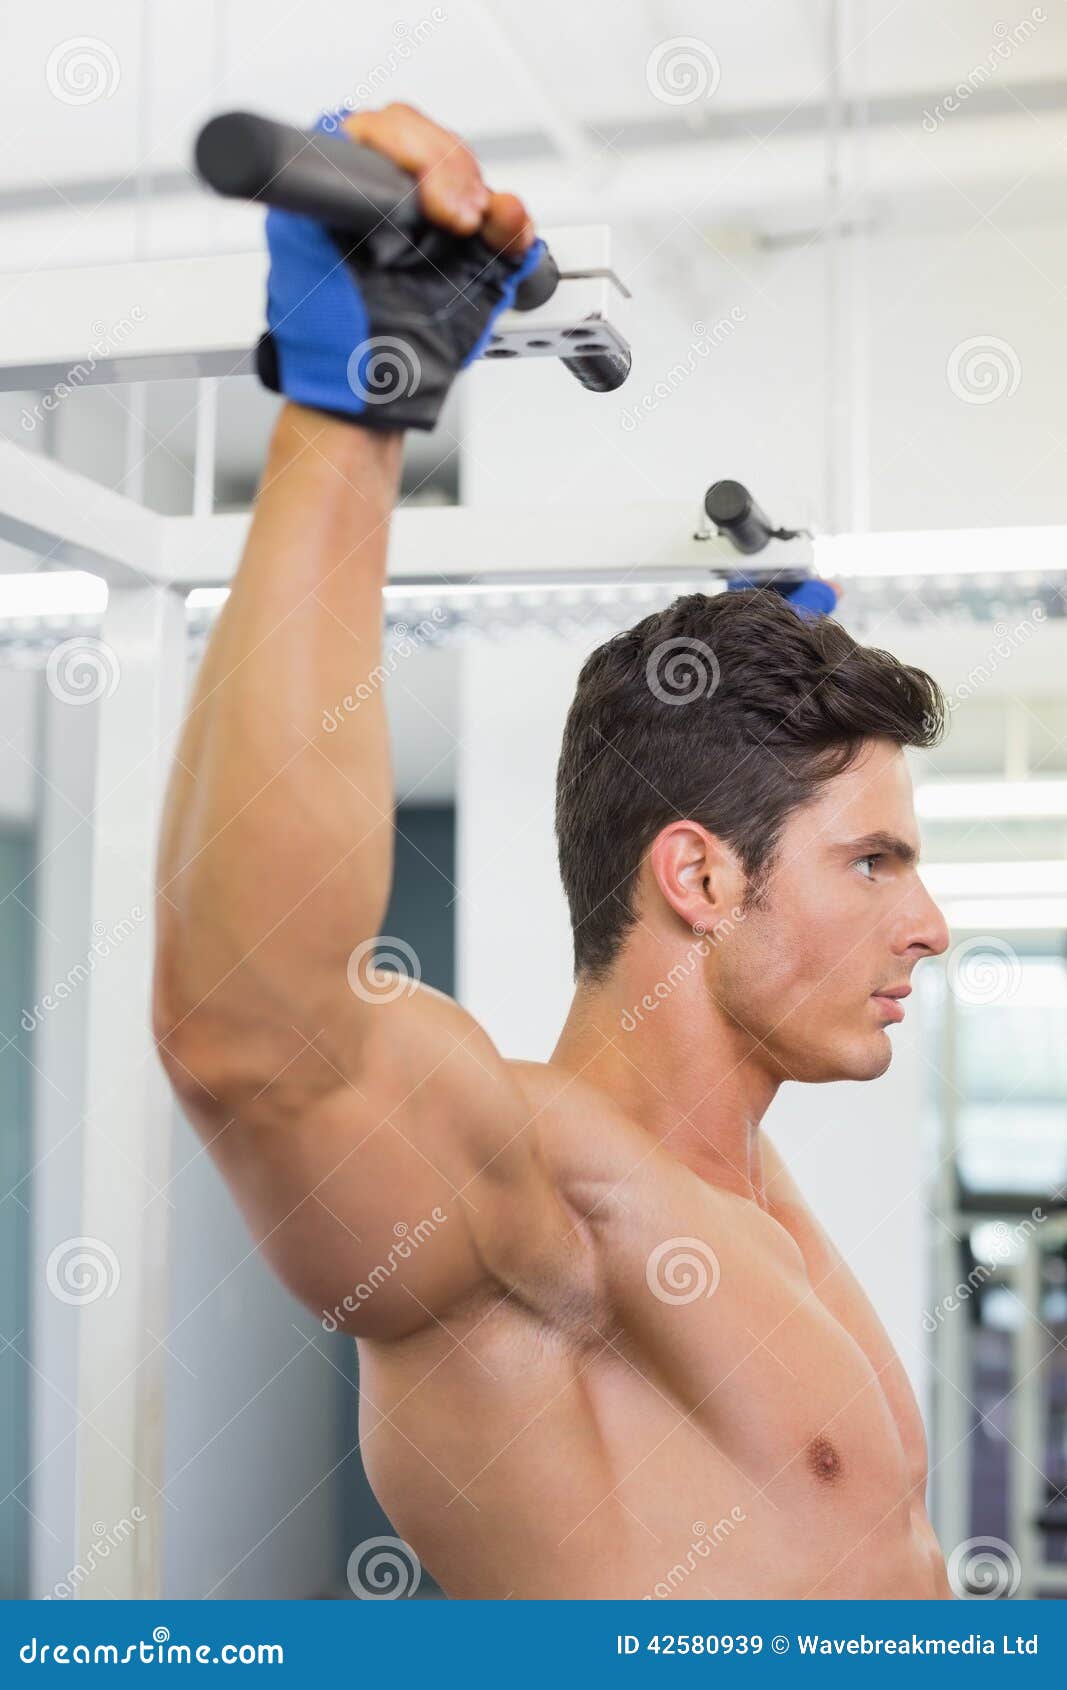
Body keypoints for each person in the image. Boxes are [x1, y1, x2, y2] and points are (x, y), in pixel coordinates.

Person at [153, 101, 953, 1600]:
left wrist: (769, 672)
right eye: (875, 863)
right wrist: (352, 410)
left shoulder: (743, 1191)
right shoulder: (539, 1201)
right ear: (701, 878)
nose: (929, 925)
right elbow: (252, 1038)